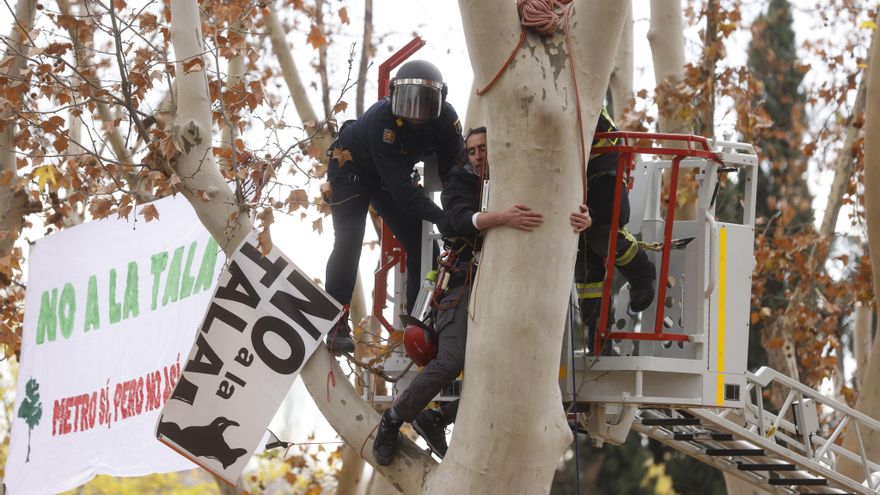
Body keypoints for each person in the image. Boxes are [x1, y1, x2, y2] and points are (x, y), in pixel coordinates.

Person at [371, 126, 592, 465]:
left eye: (483, 149)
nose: (477, 156)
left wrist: (580, 217)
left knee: (517, 370)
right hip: (463, 283)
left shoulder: (524, 178)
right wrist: (503, 217)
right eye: (472, 150)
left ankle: (439, 417)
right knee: (452, 359)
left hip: (514, 287)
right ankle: (393, 420)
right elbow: (458, 220)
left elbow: (553, 208)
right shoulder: (460, 180)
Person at [324, 60, 464, 355]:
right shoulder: (381, 121)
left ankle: (421, 323)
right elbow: (401, 188)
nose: (415, 113)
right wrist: (440, 217)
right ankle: (336, 326)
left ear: (441, 100)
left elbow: (454, 170)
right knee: (349, 240)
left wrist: (458, 214)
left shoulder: (447, 120)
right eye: (408, 102)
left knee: (420, 243)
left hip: (389, 176)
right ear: (393, 95)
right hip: (351, 170)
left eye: (424, 103)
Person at [576, 107, 656, 353]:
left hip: (603, 167)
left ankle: (641, 271)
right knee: (584, 266)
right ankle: (599, 335)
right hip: (576, 171)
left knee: (602, 234)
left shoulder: (572, 85)